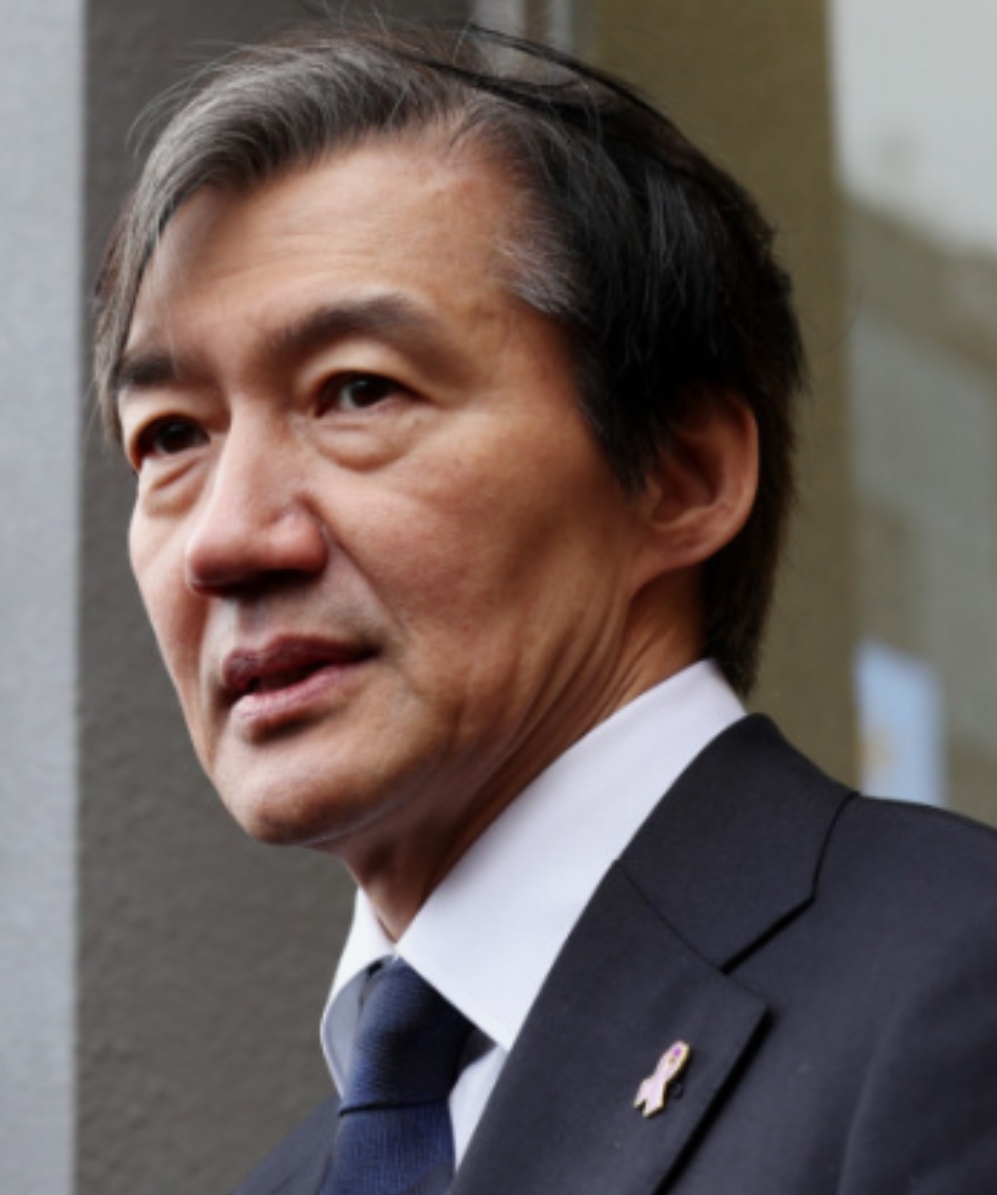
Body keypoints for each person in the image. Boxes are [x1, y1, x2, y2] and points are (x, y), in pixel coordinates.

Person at [94, 20, 997, 1195]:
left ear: (680, 476)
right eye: (170, 437)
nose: (225, 539)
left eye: (356, 391)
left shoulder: (952, 982)